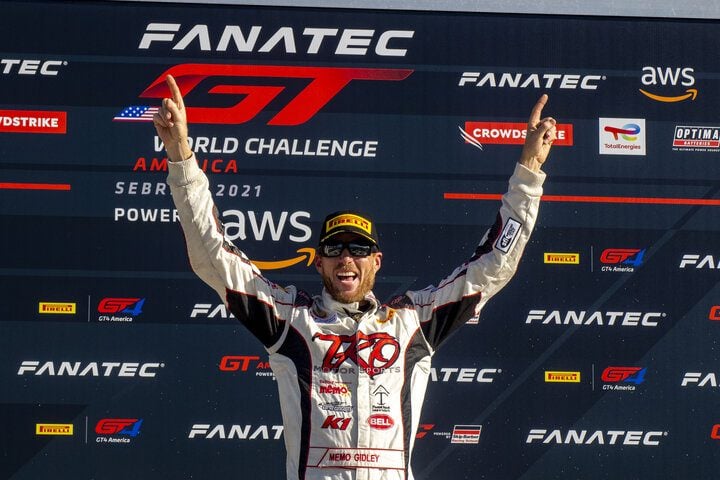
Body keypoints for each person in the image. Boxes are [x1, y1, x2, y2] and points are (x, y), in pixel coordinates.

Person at [154, 75, 556, 480]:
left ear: (376, 261)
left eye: (359, 249)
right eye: (333, 249)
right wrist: (181, 157)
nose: (346, 258)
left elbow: (493, 266)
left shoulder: (412, 322)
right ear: (318, 262)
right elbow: (213, 257)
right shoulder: (292, 320)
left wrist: (529, 173)